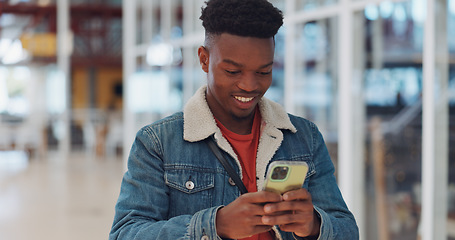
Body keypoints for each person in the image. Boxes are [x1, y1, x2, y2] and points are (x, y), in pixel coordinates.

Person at [109, 0, 359, 239]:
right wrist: (215, 225)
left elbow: (347, 230)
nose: (249, 85)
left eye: (264, 71)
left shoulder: (305, 137)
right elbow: (125, 233)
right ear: (204, 59)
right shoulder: (158, 143)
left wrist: (314, 226)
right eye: (232, 71)